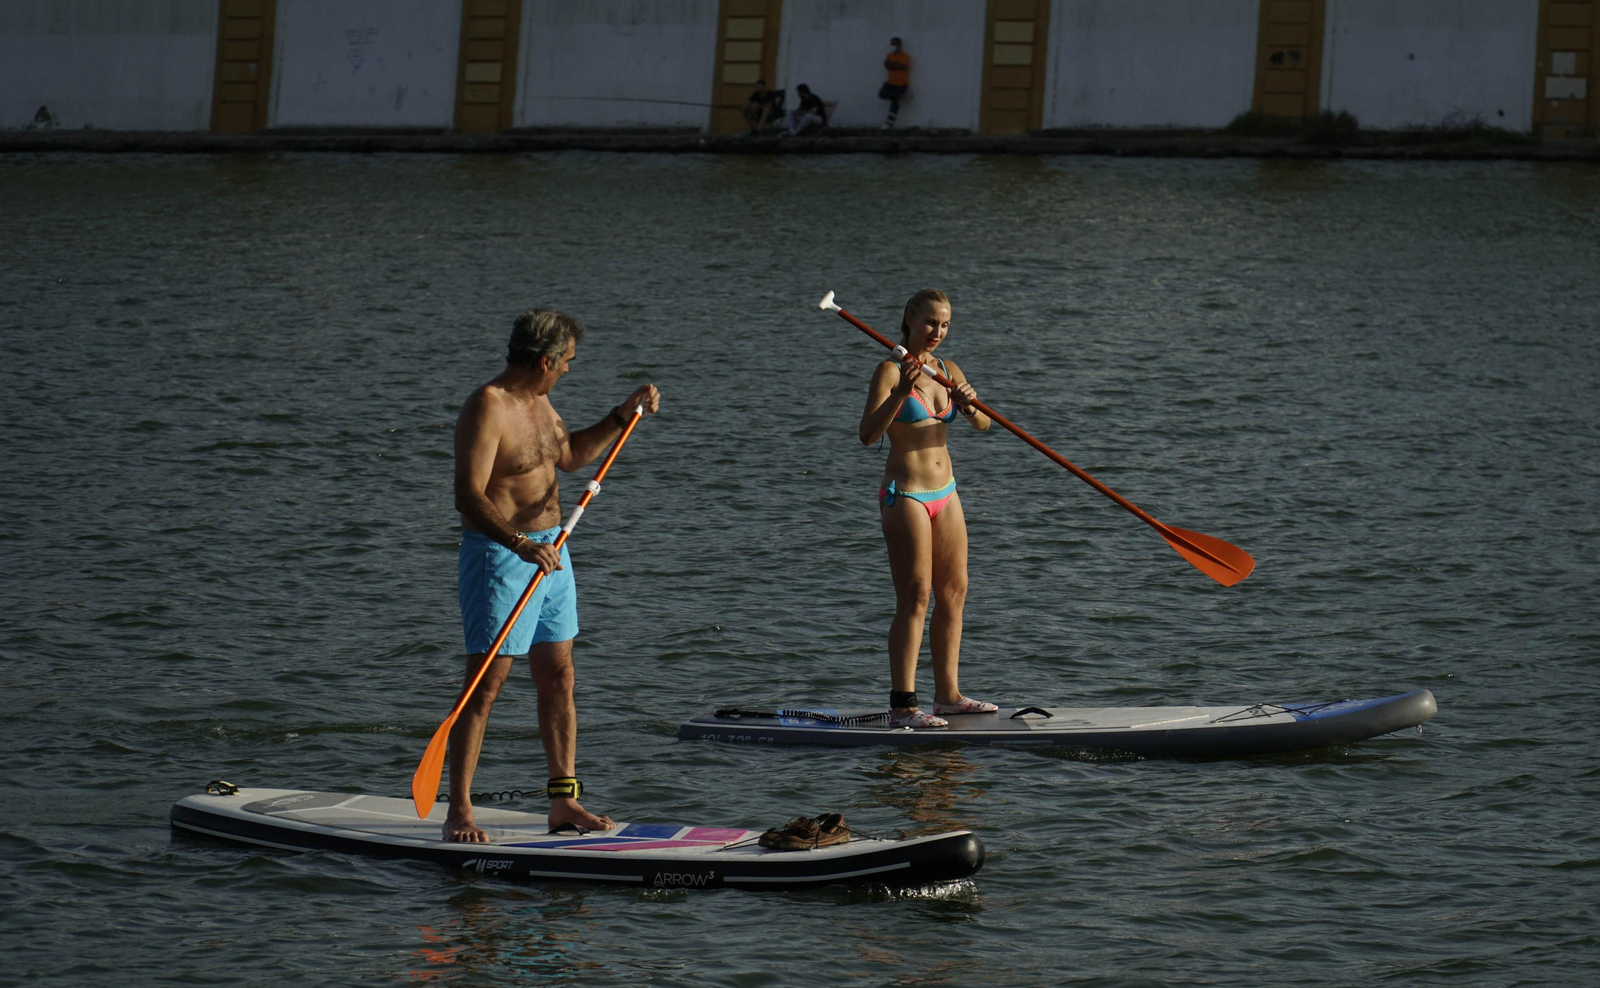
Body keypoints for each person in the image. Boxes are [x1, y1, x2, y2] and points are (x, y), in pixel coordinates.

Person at [447, 308, 661, 842]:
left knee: (560, 676)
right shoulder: (487, 407)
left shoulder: (540, 403)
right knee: (487, 684)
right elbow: (468, 497)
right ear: (544, 360)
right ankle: (459, 812)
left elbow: (567, 457)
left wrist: (621, 415)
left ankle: (563, 804)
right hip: (500, 556)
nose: (568, 370)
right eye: (566, 362)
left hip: (553, 551)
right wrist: (517, 544)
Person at [858, 290, 994, 729]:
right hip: (907, 495)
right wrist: (899, 393)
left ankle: (948, 697)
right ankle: (903, 707)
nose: (937, 332)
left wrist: (971, 406)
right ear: (909, 320)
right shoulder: (889, 369)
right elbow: (866, 434)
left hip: (946, 493)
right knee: (915, 598)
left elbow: (984, 423)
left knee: (954, 593)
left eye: (946, 325)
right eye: (930, 323)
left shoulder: (947, 370)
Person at [879, 37, 910, 129]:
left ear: (899, 45)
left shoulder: (904, 56)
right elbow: (887, 65)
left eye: (894, 44)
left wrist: (892, 65)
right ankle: (893, 98)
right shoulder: (890, 55)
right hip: (890, 83)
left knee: (895, 105)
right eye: (891, 44)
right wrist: (896, 65)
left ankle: (889, 123)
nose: (892, 46)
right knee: (882, 94)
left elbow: (903, 67)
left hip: (901, 84)